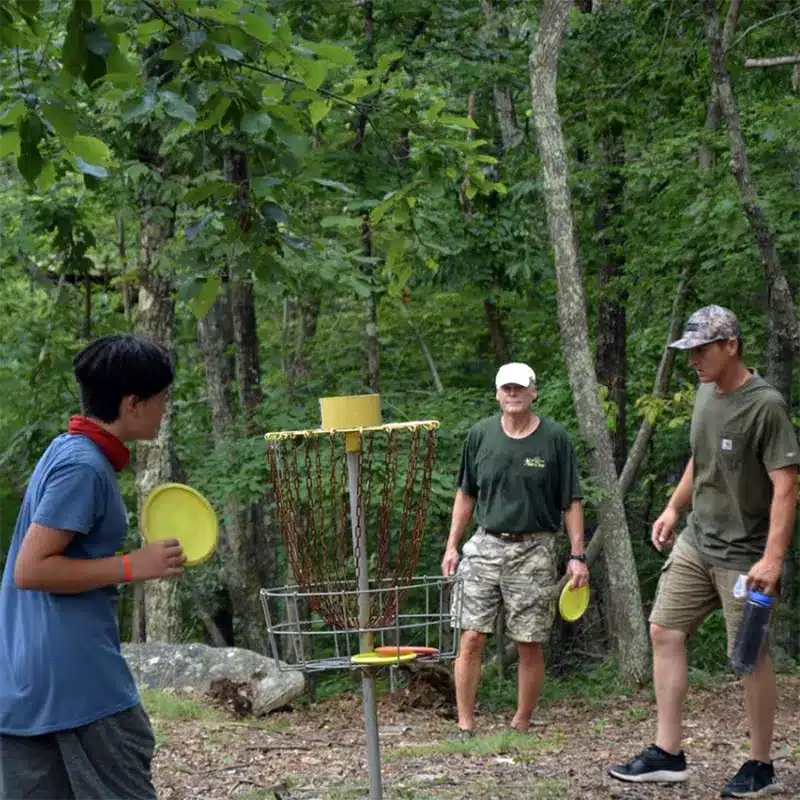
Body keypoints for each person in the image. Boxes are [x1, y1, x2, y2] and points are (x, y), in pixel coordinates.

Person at [608, 306, 798, 798]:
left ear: (731, 346)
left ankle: (761, 765)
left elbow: (786, 486)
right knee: (664, 630)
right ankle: (667, 753)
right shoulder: (706, 392)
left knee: (749, 656)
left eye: (702, 350)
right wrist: (674, 508)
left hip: (746, 553)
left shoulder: (766, 405)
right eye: (689, 351)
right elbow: (702, 458)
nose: (693, 359)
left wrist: (773, 558)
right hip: (699, 540)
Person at [0, 334, 187, 800]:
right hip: (80, 681)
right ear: (132, 403)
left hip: (27, 683)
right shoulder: (83, 466)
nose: (165, 409)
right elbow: (31, 570)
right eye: (162, 398)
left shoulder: (67, 449)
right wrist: (132, 565)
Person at [442, 362, 589, 735]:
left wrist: (577, 555)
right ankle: (465, 724)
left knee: (529, 641)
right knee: (471, 636)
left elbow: (571, 501)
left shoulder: (555, 439)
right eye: (506, 388)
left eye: (519, 388)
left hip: (534, 548)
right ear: (497, 394)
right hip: (485, 544)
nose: (513, 394)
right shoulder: (480, 435)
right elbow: (466, 494)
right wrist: (452, 546)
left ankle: (521, 721)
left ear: (533, 392)